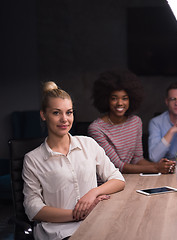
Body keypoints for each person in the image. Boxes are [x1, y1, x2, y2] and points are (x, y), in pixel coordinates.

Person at [23, 81, 125, 240]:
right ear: (43, 115)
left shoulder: (88, 144)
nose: (64, 119)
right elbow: (33, 209)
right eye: (56, 113)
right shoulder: (32, 159)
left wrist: (93, 193)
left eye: (69, 112)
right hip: (59, 233)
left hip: (94, 225)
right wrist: (76, 214)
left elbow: (118, 179)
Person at [88, 71, 175, 174]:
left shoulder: (135, 122)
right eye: (114, 98)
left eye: (124, 98)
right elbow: (117, 165)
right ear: (106, 100)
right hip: (106, 182)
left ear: (131, 100)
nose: (120, 103)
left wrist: (162, 166)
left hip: (129, 179)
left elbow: (137, 159)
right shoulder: (96, 129)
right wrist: (156, 168)